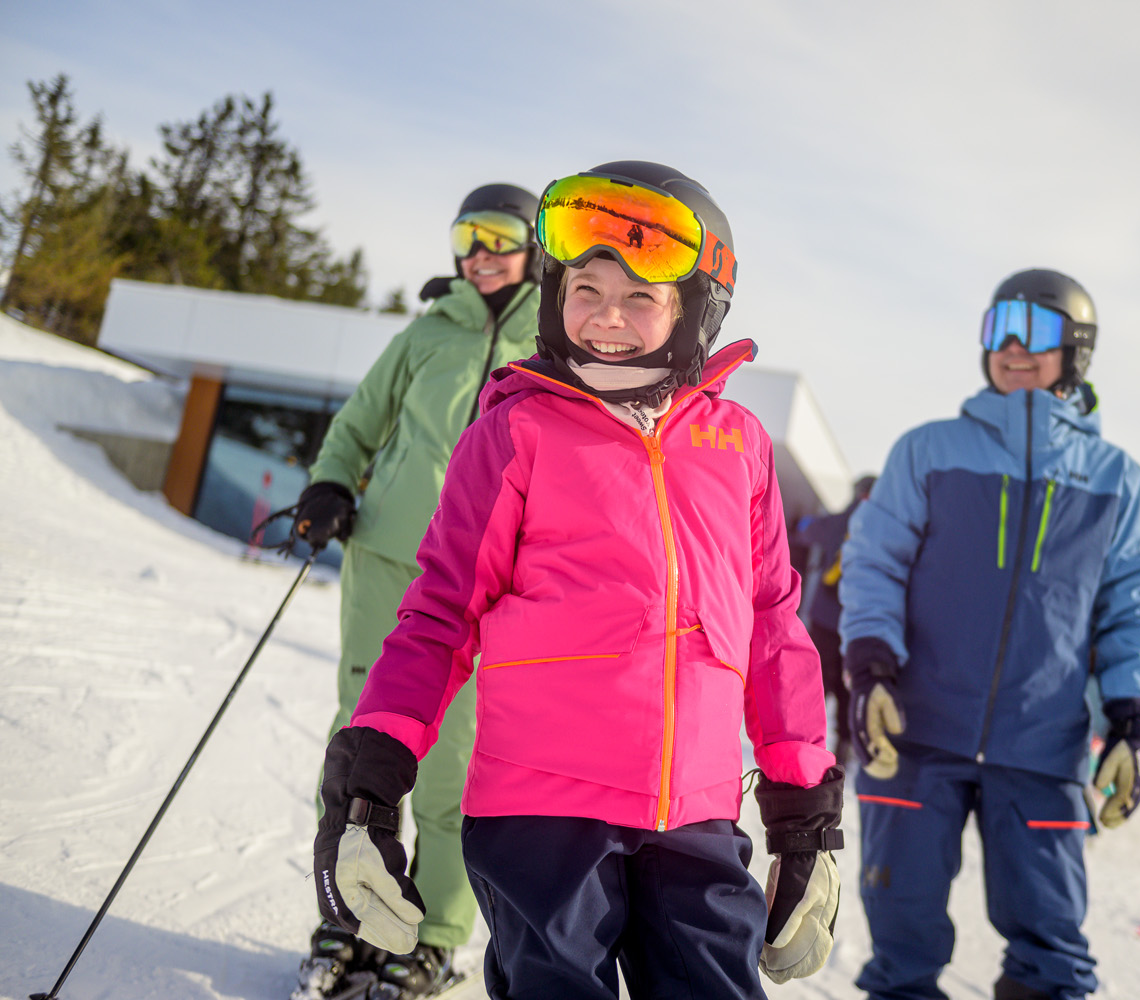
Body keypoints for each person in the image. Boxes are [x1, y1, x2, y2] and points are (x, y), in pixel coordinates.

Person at [309, 162, 846, 999]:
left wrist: (803, 813)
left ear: (695, 307)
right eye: (586, 288)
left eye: (640, 297)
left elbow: (772, 623)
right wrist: (370, 778)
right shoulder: (515, 431)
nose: (606, 316)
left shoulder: (737, 445)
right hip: (542, 816)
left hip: (696, 819)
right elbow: (442, 613)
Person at [839, 268, 1140, 1000]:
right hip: (916, 736)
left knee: (1052, 952)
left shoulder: (1116, 478)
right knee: (901, 946)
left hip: (1041, 745)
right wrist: (871, 671)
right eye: (1000, 329)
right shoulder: (928, 450)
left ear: (1076, 350)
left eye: (1037, 331)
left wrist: (1133, 722)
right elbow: (873, 565)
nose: (1014, 347)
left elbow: (1135, 608)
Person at [287, 183, 543, 999]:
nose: (480, 254)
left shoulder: (554, 339)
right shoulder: (427, 331)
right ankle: (348, 915)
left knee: (454, 763)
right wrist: (332, 481)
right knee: (362, 739)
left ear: (535, 245)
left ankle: (432, 933)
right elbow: (360, 422)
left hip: (486, 580)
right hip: (390, 558)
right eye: (467, 237)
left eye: (498, 235)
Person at [791, 474, 876, 763]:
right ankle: (844, 747)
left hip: (825, 620)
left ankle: (802, 738)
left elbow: (806, 531)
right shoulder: (882, 529)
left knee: (815, 681)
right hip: (857, 623)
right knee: (847, 687)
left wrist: (801, 521)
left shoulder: (840, 520)